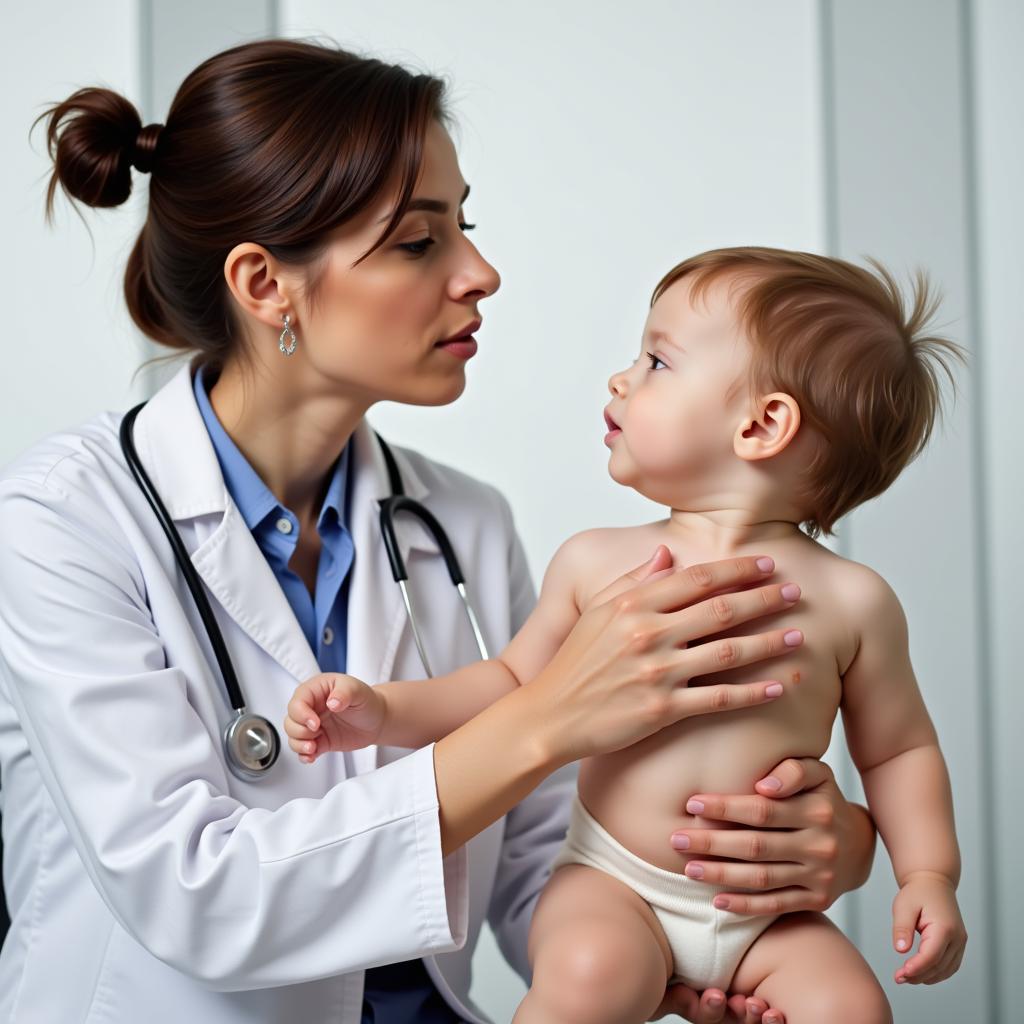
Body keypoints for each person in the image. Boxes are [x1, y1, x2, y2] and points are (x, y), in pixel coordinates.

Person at [0, 39, 878, 1024]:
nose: (482, 272)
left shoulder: (464, 521)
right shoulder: (65, 521)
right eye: (421, 241)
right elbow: (196, 897)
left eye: (465, 225)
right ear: (263, 286)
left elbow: (544, 853)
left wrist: (732, 890)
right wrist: (545, 714)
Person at [286, 246, 970, 1022]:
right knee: (587, 973)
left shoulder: (854, 601)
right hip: (615, 884)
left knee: (850, 1006)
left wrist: (927, 876)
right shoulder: (597, 562)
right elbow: (512, 686)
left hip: (766, 914)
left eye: (657, 360)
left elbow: (899, 748)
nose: (622, 378)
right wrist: (386, 711)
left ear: (761, 424)